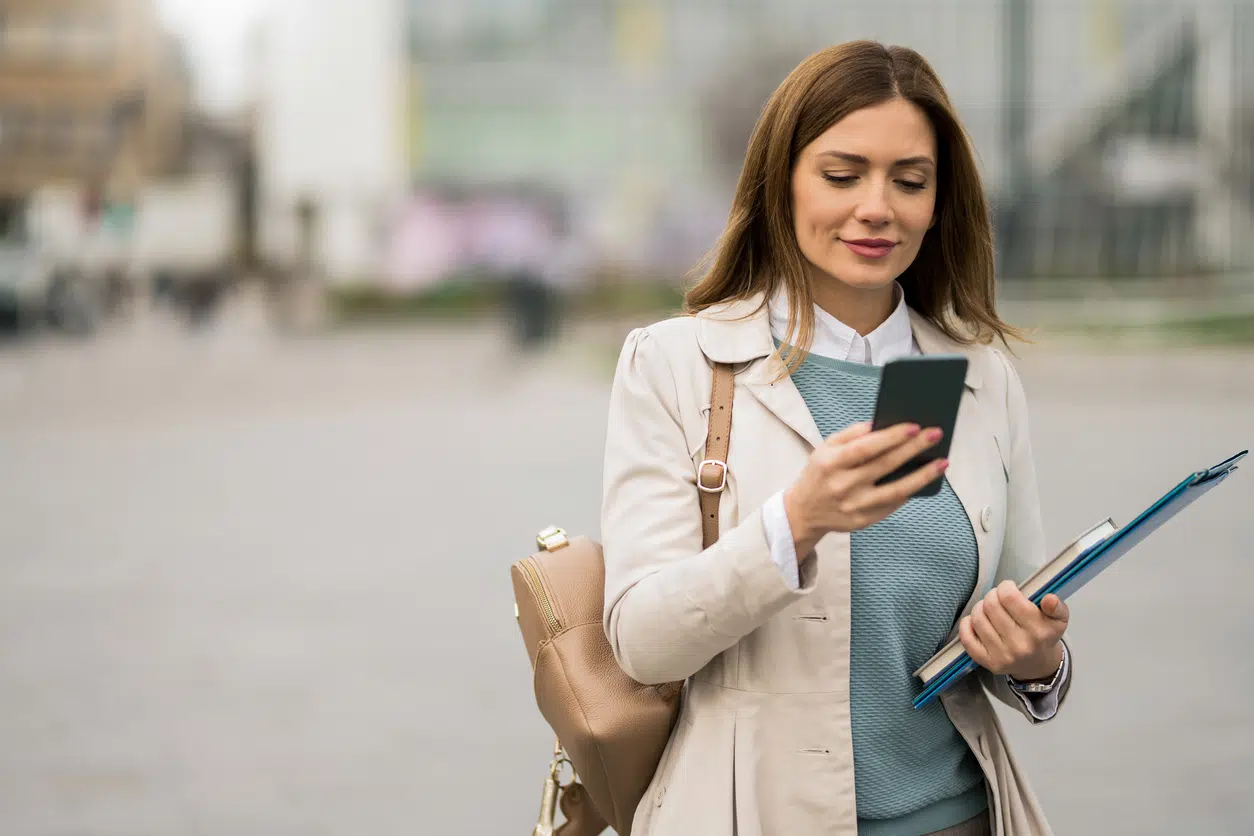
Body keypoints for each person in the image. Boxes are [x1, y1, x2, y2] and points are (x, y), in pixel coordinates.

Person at [600, 41, 1071, 836]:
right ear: (781, 182)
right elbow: (643, 643)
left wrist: (1036, 664)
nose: (877, 207)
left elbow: (1018, 611)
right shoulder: (676, 365)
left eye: (909, 181)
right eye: (843, 175)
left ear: (938, 200)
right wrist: (797, 521)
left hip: (961, 817)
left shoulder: (979, 377)